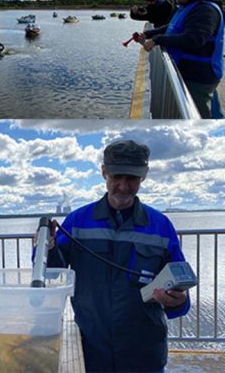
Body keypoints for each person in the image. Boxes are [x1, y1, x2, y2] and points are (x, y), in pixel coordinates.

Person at [44, 140, 190, 372]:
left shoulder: (161, 226)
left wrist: (179, 301)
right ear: (104, 172)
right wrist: (46, 248)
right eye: (116, 177)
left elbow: (180, 291)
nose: (123, 186)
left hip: (144, 352)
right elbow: (51, 275)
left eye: (131, 178)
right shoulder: (77, 222)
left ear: (144, 176)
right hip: (91, 349)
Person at [140, 0, 223, 119]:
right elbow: (172, 27)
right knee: (211, 109)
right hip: (191, 70)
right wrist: (149, 34)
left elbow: (194, 39)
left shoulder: (204, 10)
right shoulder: (190, 7)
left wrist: (157, 40)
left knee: (198, 116)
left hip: (199, 74)